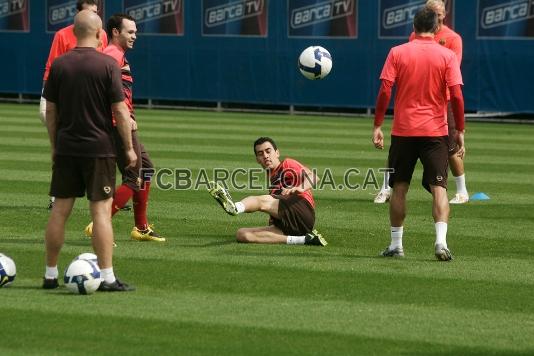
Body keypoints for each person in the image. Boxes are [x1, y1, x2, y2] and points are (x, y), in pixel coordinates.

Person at [42, 10, 136, 291]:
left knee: (60, 211)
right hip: (100, 150)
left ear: (74, 33)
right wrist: (129, 149)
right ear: (99, 34)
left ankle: (49, 274)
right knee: (100, 214)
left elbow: (51, 112)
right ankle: (107, 278)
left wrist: (55, 145)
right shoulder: (107, 65)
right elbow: (120, 110)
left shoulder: (59, 65)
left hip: (67, 148)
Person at [372, 7, 465, 260]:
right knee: (439, 188)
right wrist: (460, 130)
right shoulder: (446, 55)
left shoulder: (397, 52)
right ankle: (440, 243)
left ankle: (396, 245)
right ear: (437, 28)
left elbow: (384, 90)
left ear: (413, 26)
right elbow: (456, 95)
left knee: (399, 187)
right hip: (435, 130)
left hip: (404, 130)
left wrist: (378, 125)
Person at [84, 14, 164, 243]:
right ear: (115, 32)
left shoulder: (116, 56)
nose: (134, 36)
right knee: (134, 175)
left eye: (135, 32)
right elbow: (103, 94)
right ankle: (100, 224)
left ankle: (141, 227)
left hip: (121, 122)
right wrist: (122, 119)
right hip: (118, 125)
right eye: (130, 32)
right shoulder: (111, 55)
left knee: (146, 168)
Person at [40, 0, 108, 210]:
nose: (93, 15)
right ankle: (57, 195)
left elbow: (104, 66)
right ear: (78, 13)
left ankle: (109, 190)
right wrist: (50, 97)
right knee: (62, 141)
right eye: (89, 11)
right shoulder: (62, 34)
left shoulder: (102, 34)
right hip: (65, 94)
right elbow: (53, 67)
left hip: (90, 95)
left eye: (96, 11)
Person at [208, 137, 327, 246]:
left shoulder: (287, 164)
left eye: (268, 151)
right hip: (293, 224)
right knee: (242, 234)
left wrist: (301, 187)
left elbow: (313, 176)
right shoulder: (273, 184)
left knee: (260, 200)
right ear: (257, 159)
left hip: (300, 208)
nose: (265, 156)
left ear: (277, 153)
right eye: (260, 154)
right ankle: (304, 240)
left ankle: (235, 208)